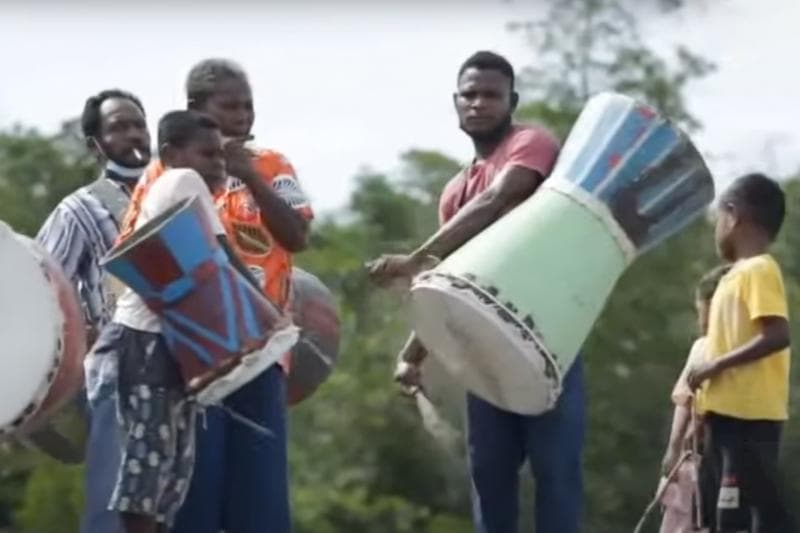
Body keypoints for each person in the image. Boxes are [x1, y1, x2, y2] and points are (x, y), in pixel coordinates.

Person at [367, 51, 584, 533]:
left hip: (547, 338)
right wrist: (414, 352)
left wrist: (415, 258)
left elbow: (500, 198)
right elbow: (455, 279)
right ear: (456, 102)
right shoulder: (454, 191)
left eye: (491, 95)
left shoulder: (531, 144)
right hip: (483, 351)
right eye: (470, 95)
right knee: (490, 475)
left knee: (555, 474)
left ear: (512, 101)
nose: (479, 103)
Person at [124, 59, 312, 533]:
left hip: (259, 354)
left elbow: (297, 237)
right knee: (197, 493)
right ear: (196, 108)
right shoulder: (165, 173)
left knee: (261, 498)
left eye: (248, 105)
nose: (244, 116)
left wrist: (250, 177)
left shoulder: (272, 164)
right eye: (229, 106)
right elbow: (134, 253)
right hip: (191, 357)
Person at [93, 109, 260, 533]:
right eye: (208, 153)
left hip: (168, 339)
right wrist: (269, 318)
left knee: (169, 467)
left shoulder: (177, 185)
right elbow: (223, 259)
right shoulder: (183, 180)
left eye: (222, 155)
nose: (219, 163)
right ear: (172, 153)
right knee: (151, 463)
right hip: (150, 338)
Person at [36, 89, 151, 533]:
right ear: (95, 144)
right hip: (117, 377)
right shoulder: (79, 210)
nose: (133, 134)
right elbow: (46, 289)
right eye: (118, 127)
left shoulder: (178, 192)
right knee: (116, 506)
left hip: (189, 373)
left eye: (138, 124)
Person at [687, 173, 795, 533]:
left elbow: (777, 335)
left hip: (749, 418)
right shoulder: (730, 278)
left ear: (732, 215)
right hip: (723, 419)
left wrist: (714, 365)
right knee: (721, 518)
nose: (717, 227)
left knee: (747, 515)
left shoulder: (759, 269)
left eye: (719, 217)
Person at [657, 264, 729, 533]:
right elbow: (686, 400)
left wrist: (674, 448)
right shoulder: (708, 347)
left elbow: (687, 402)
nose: (701, 320)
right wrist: (673, 450)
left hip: (705, 459)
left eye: (703, 311)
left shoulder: (715, 349)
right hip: (697, 460)